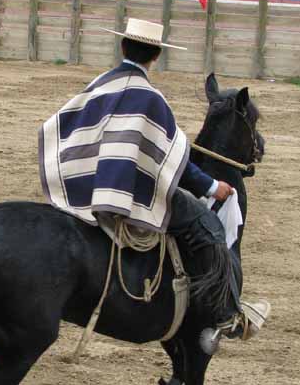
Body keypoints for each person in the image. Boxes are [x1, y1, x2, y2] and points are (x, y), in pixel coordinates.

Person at [40, 18, 268, 337]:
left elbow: (60, 125)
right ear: (156, 55)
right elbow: (173, 160)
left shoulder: (102, 84)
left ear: (122, 47)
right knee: (211, 228)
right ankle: (226, 315)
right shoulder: (151, 98)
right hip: (133, 195)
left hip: (91, 186)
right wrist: (213, 186)